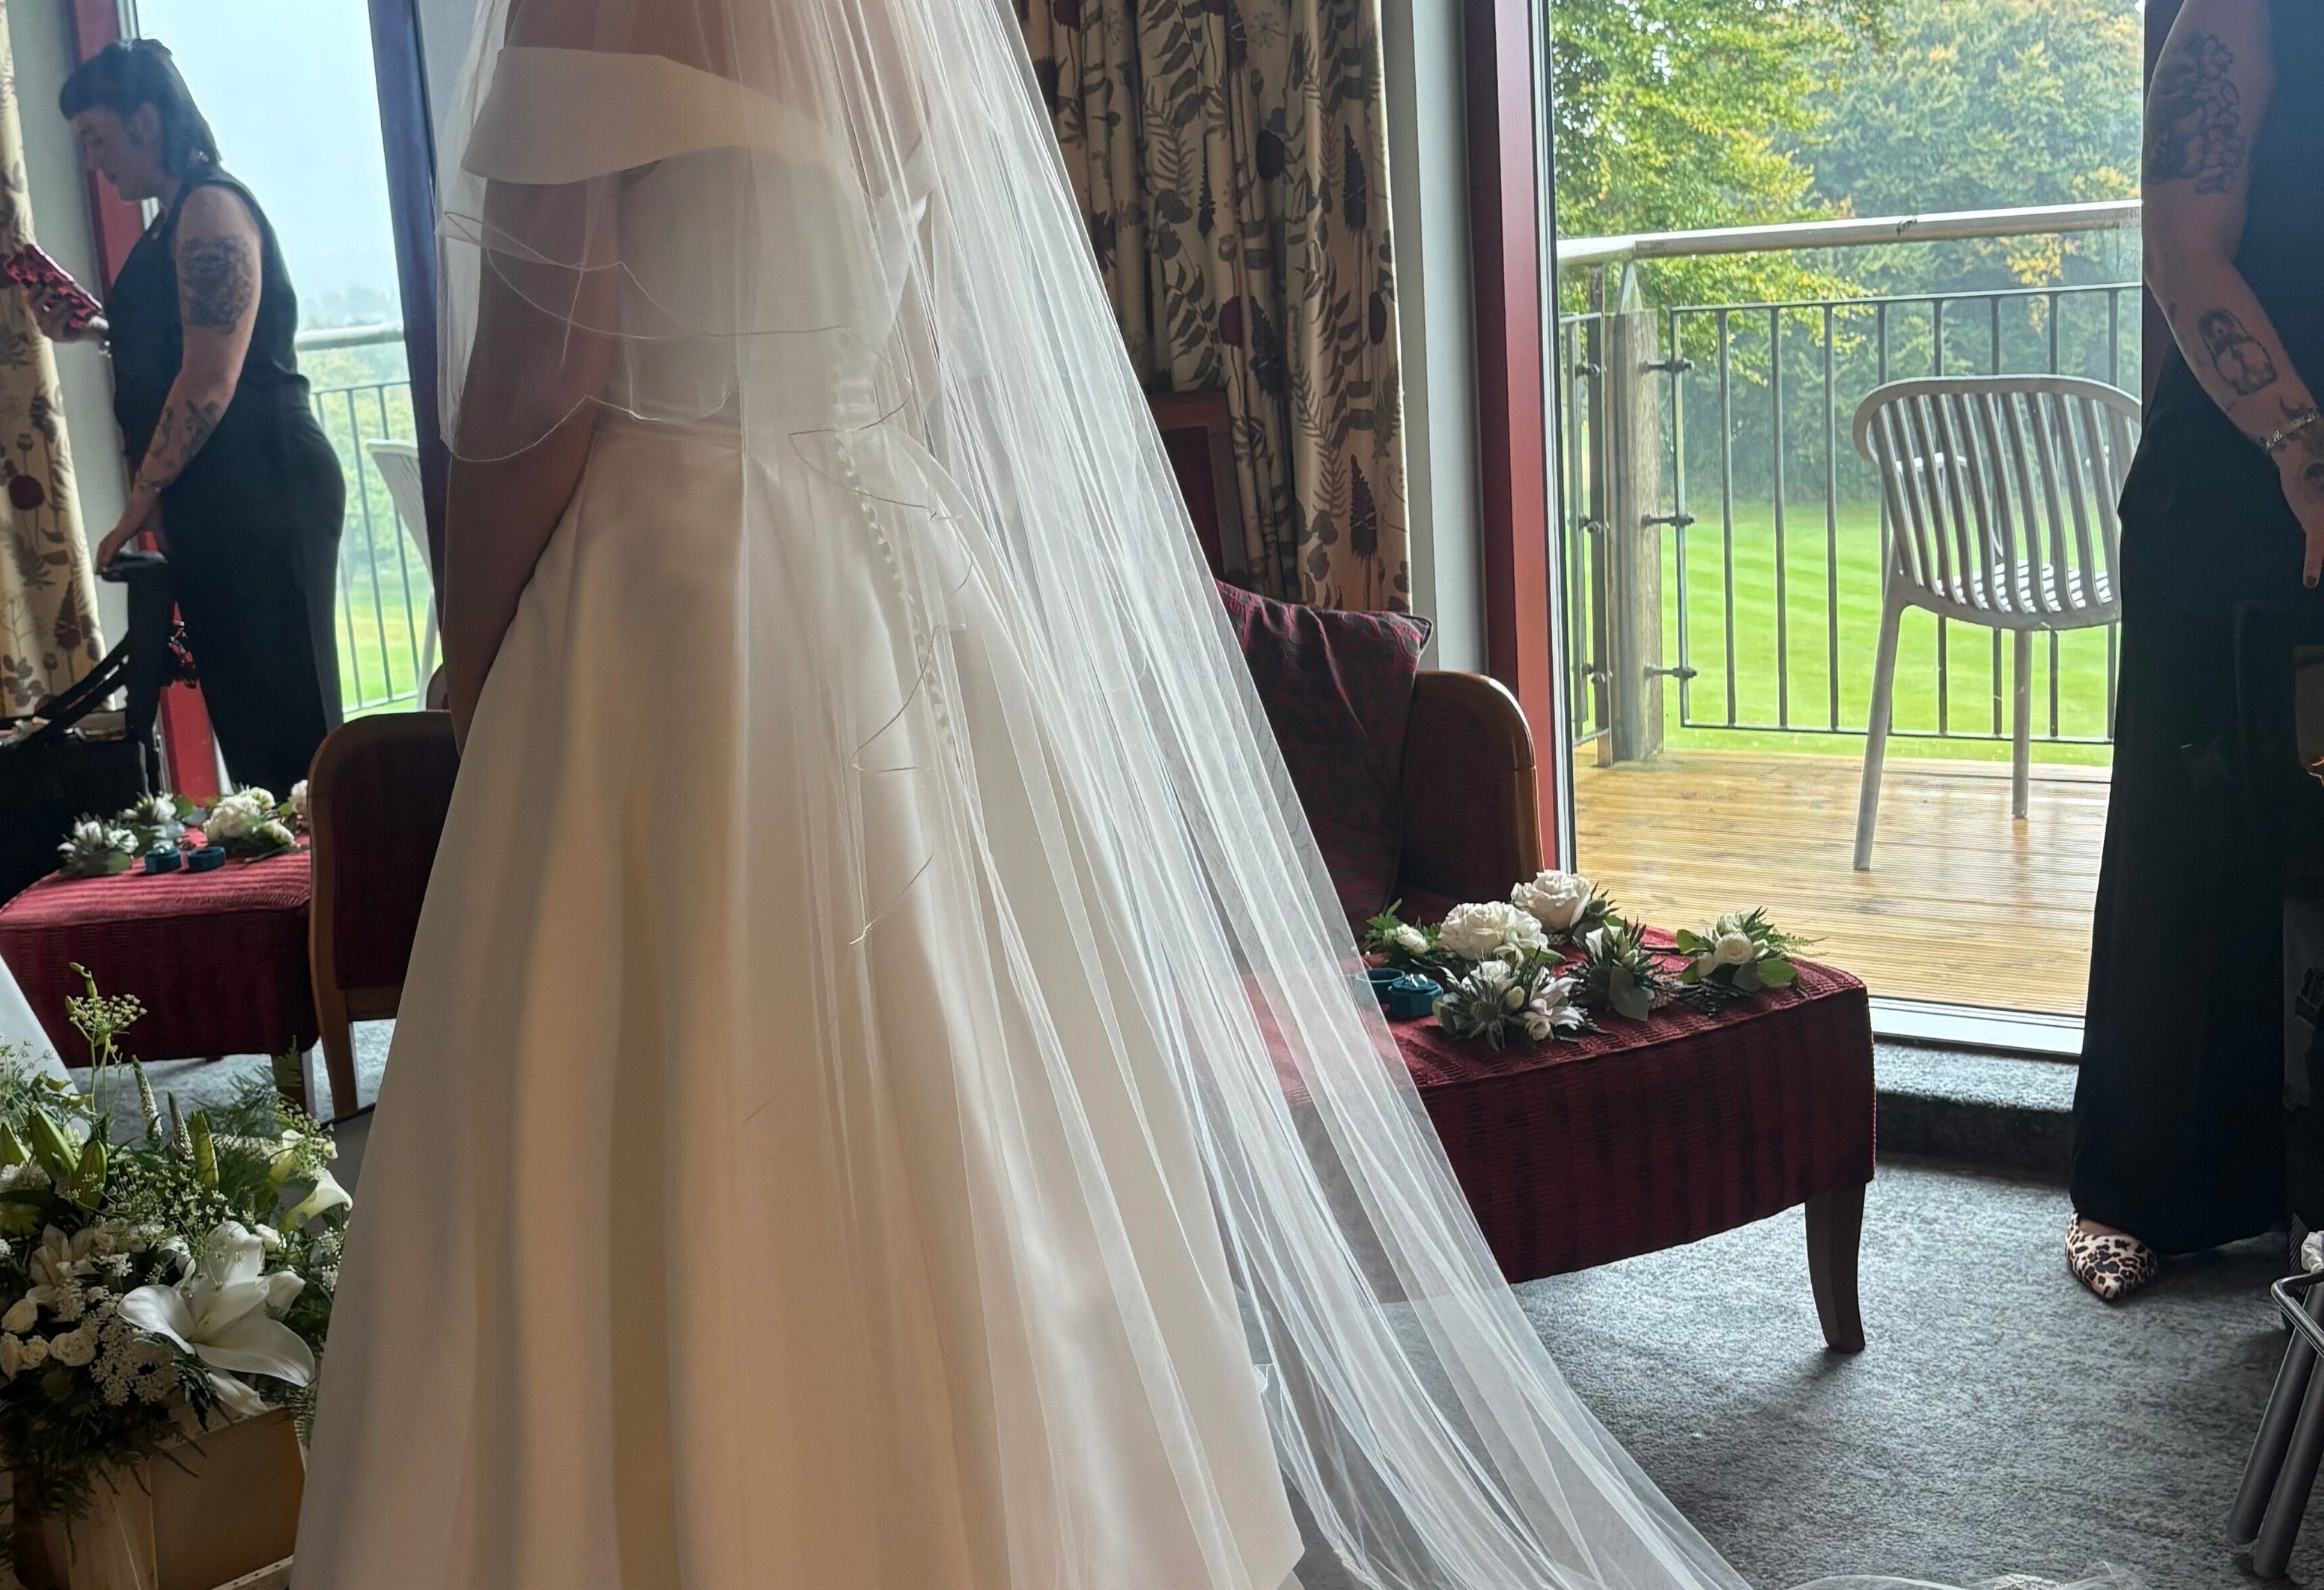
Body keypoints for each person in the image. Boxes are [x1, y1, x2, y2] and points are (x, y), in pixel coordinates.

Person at [288, 0, 2110, 1581]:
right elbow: (914, 348)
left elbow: (537, 378)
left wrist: (468, 655)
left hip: (680, 586)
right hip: (877, 563)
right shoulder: (914, 28)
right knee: (953, 1086)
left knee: (663, 1075)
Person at [2068, 0, 2324, 1302]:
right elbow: (2184, 246)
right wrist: (2305, 452)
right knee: (2192, 845)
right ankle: (2134, 1187)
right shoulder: (2241, 17)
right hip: (2231, 496)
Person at [40, 41, 347, 799]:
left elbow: (211, 377)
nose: (93, 162)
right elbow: (183, 342)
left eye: (97, 139)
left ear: (146, 119)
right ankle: (295, 897)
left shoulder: (210, 208)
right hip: (226, 493)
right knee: (253, 721)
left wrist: (137, 503)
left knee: (290, 723)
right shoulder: (174, 217)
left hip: (263, 486)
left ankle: (338, 898)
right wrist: (93, 331)